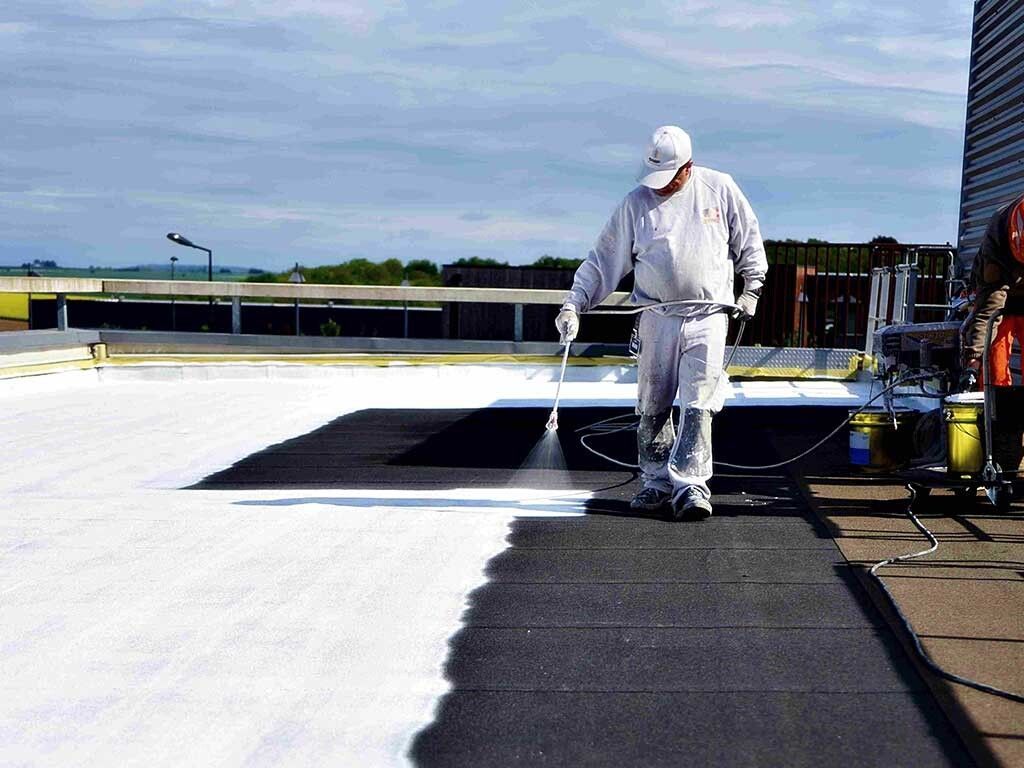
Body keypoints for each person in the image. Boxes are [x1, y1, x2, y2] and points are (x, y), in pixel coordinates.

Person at [555, 125, 768, 520]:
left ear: (687, 168)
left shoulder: (719, 190)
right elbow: (603, 260)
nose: (662, 187)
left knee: (698, 404)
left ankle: (690, 486)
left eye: (669, 178)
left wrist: (751, 288)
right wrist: (574, 303)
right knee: (652, 402)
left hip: (708, 315)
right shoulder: (636, 204)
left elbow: (749, 241)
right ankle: (654, 481)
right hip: (656, 316)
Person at [960, 190, 1024, 391]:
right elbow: (988, 311)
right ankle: (995, 413)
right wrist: (973, 359)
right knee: (995, 367)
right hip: (1000, 297)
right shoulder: (997, 240)